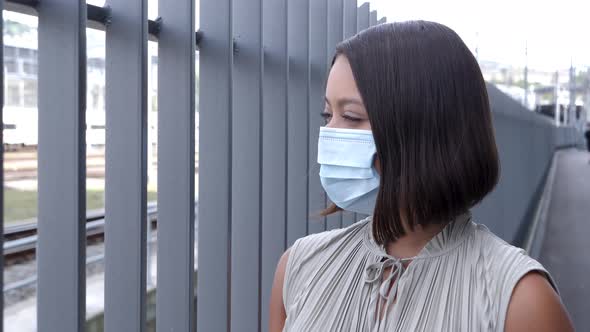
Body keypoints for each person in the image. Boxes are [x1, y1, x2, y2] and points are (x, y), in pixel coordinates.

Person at [268, 21, 573, 332]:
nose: (329, 134)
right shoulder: (299, 267)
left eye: (351, 117)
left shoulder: (521, 301)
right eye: (327, 115)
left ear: (425, 129)